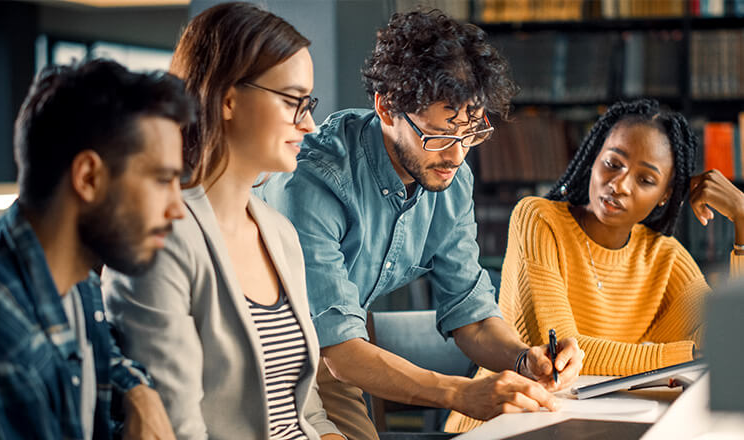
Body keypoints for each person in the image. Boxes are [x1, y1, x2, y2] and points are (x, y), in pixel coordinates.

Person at [259, 9, 584, 440]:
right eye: (439, 136)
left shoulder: (450, 178)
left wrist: (525, 359)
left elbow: (471, 316)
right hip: (273, 354)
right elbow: (340, 353)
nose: (456, 156)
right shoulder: (314, 181)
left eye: (470, 133)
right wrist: (461, 394)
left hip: (337, 349)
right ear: (386, 108)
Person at [102, 3, 344, 440]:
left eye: (309, 104)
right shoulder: (158, 240)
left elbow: (307, 414)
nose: (309, 124)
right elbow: (176, 427)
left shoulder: (280, 233)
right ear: (228, 99)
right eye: (293, 102)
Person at [446, 98, 744, 431]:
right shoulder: (538, 220)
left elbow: (733, 343)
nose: (619, 185)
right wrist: (690, 356)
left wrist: (742, 220)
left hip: (594, 424)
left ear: (665, 194)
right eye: (613, 163)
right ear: (594, 158)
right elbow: (563, 357)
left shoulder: (666, 257)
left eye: (646, 180)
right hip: (504, 421)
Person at [0, 59, 194, 439]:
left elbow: (103, 357)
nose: (177, 208)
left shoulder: (73, 271)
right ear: (88, 177)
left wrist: (138, 390)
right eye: (162, 180)